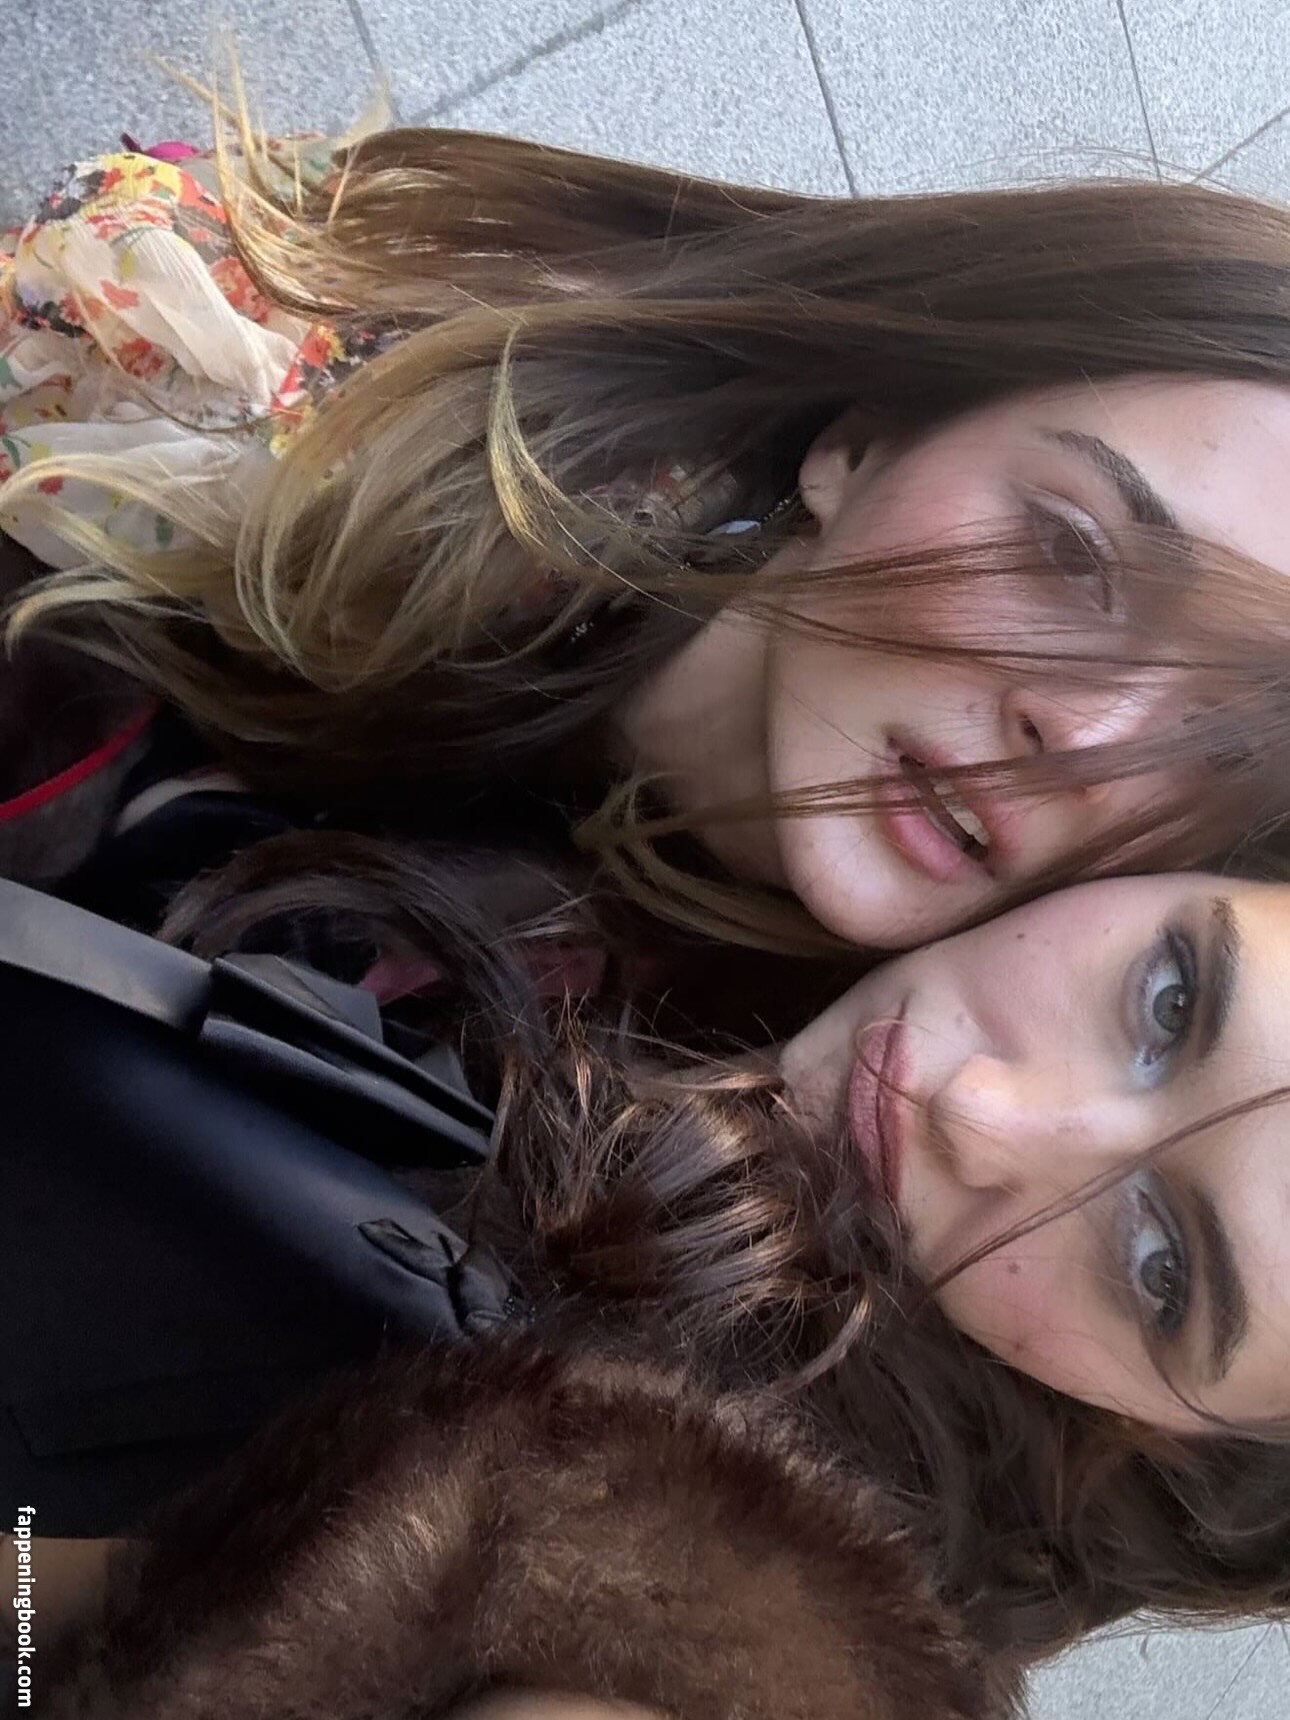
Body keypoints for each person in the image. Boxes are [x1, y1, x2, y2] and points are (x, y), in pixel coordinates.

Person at [5, 124, 1290, 987]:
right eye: (1072, 552)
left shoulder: (906, 1148)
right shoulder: (250, 403)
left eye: (1230, 738)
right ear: (856, 445)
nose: (1088, 732)